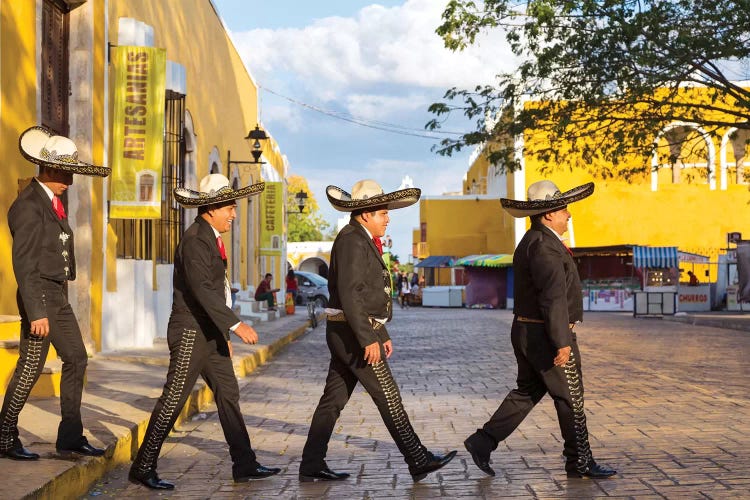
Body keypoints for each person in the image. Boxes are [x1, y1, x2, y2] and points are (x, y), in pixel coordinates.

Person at [129, 174, 280, 490]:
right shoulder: (196, 239)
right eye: (229, 207)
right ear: (211, 207)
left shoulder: (210, 237)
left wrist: (223, 336)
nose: (234, 214)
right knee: (174, 398)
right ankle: (143, 466)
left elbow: (217, 290)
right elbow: (203, 291)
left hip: (211, 334)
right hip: (189, 332)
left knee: (229, 394)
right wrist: (236, 325)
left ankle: (245, 464)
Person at [299, 179, 456, 482]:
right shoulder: (353, 240)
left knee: (332, 401)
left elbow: (369, 295)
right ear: (365, 214)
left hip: (349, 332)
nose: (388, 218)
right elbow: (351, 293)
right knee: (389, 395)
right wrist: (367, 338)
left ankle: (311, 463)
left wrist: (380, 334)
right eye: (383, 212)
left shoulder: (360, 238)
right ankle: (418, 458)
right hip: (351, 334)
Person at [463, 180, 617, 480]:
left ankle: (483, 441)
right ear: (548, 215)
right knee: (570, 396)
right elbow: (552, 298)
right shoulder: (544, 246)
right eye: (563, 210)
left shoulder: (534, 241)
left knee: (528, 392)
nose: (568, 215)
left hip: (528, 331)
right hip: (546, 335)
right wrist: (562, 342)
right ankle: (580, 461)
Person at [0, 127, 110, 461]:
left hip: (55, 294)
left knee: (76, 357)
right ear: (48, 169)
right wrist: (36, 312)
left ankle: (70, 437)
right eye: (66, 173)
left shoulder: (50, 201)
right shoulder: (29, 206)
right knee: (31, 366)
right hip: (40, 296)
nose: (71, 181)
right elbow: (24, 264)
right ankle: (5, 437)